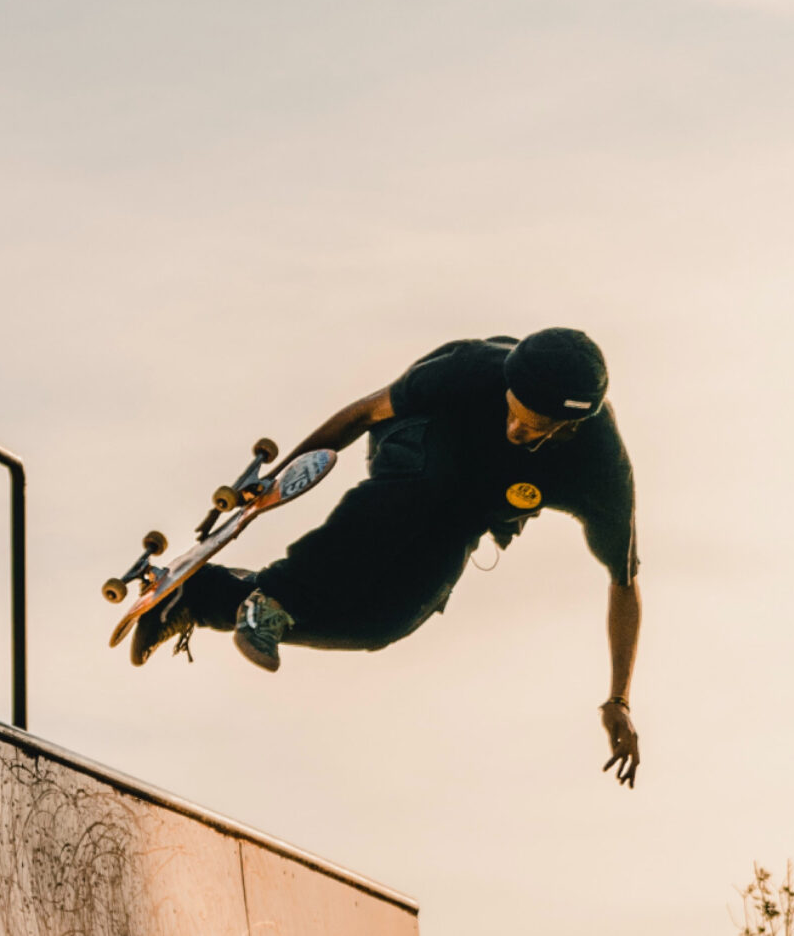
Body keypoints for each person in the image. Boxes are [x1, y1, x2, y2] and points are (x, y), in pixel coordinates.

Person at [132, 328, 643, 788]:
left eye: (532, 427)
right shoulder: (469, 369)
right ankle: (277, 599)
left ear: (569, 427)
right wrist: (275, 486)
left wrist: (618, 698)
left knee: (386, 619)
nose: (513, 429)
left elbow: (623, 583)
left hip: (467, 512)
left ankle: (199, 597)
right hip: (417, 443)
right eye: (510, 411)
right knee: (429, 482)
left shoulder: (600, 470)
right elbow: (360, 414)